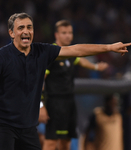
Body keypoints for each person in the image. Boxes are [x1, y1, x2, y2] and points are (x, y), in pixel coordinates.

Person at [0, 12, 130, 150]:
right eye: (21, 28)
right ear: (12, 33)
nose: (26, 31)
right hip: (3, 124)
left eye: (29, 27)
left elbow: (76, 49)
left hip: (27, 126)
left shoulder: (42, 51)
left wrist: (108, 47)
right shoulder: (0, 57)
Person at [42, 20, 108, 150]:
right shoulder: (51, 54)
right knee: (51, 142)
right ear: (56, 35)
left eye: (70, 33)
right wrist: (41, 105)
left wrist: (95, 66)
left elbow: (80, 60)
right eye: (64, 33)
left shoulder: (70, 53)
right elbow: (40, 81)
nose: (68, 36)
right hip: (55, 103)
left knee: (66, 142)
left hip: (70, 103)